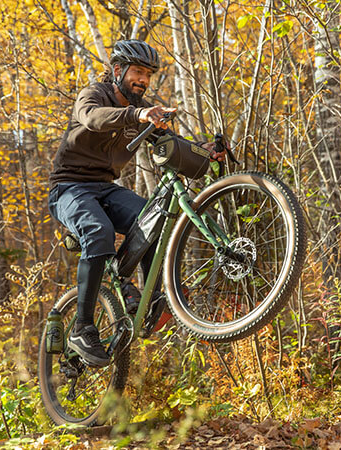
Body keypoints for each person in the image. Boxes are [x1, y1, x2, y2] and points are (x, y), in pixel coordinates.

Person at [48, 40, 226, 367]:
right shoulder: (94, 95)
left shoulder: (140, 110)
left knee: (153, 219)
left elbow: (172, 144)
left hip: (105, 188)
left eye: (148, 75)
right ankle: (82, 328)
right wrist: (137, 113)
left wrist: (203, 151)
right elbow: (92, 118)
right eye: (138, 72)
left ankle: (146, 299)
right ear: (118, 70)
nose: (143, 80)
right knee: (98, 231)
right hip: (69, 189)